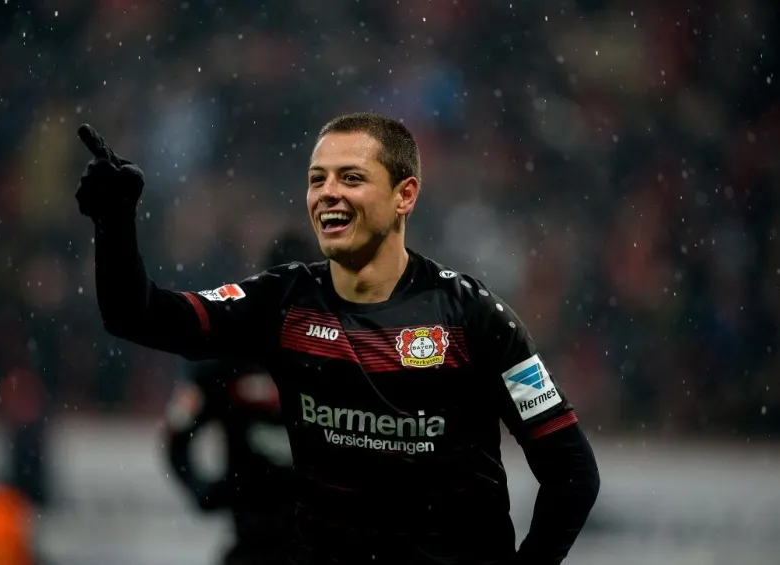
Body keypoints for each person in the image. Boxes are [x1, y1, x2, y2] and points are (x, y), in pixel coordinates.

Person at [75, 112, 600, 565]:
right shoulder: (282, 303)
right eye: (317, 178)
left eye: (351, 177)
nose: (328, 192)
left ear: (405, 195)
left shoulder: (476, 319)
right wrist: (113, 221)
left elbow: (572, 473)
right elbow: (137, 316)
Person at [164, 233, 318, 565]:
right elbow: (177, 433)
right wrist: (203, 489)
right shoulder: (228, 361)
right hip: (253, 541)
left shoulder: (342, 361)